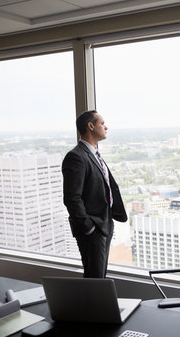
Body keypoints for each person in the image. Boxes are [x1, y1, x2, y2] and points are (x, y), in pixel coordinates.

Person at [62, 110, 127, 278]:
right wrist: (89, 228)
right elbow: (72, 198)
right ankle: (90, 305)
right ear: (91, 126)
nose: (106, 127)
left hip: (104, 224)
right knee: (95, 278)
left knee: (100, 276)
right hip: (92, 229)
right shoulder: (76, 157)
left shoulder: (94, 154)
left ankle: (94, 304)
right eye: (102, 123)